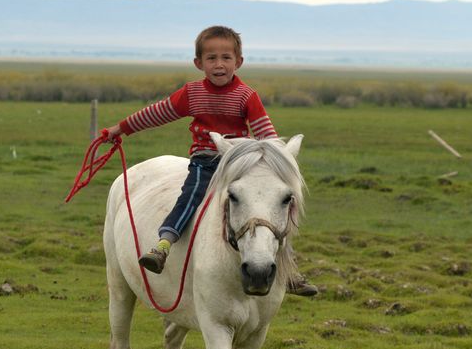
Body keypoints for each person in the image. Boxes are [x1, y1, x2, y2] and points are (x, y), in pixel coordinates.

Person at [103, 25, 317, 296]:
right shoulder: (191, 94)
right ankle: (164, 245)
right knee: (189, 198)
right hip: (205, 162)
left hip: (239, 165)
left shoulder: (246, 97)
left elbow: (267, 137)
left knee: (270, 210)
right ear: (198, 63)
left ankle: (287, 271)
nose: (219, 64)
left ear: (238, 62)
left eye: (226, 58)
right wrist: (121, 128)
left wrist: (279, 161)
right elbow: (156, 113)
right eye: (211, 58)